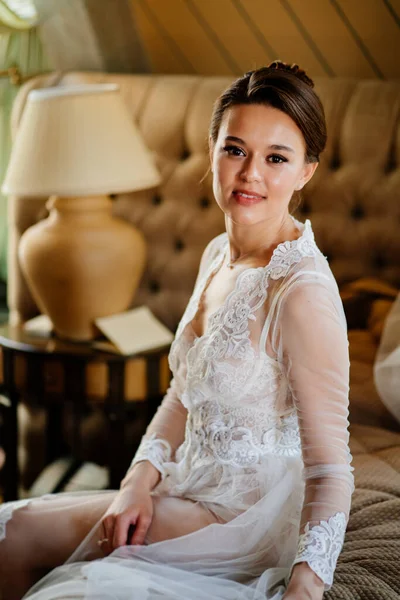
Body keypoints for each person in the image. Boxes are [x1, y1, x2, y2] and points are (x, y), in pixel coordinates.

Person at [0, 61, 354, 600]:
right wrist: (135, 483)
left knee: (15, 533)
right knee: (12, 524)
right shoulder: (217, 255)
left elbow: (331, 467)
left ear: (306, 170)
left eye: (276, 158)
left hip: (241, 522)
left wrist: (305, 588)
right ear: (212, 150)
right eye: (235, 149)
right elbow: (182, 395)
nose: (250, 173)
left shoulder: (300, 292)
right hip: (186, 489)